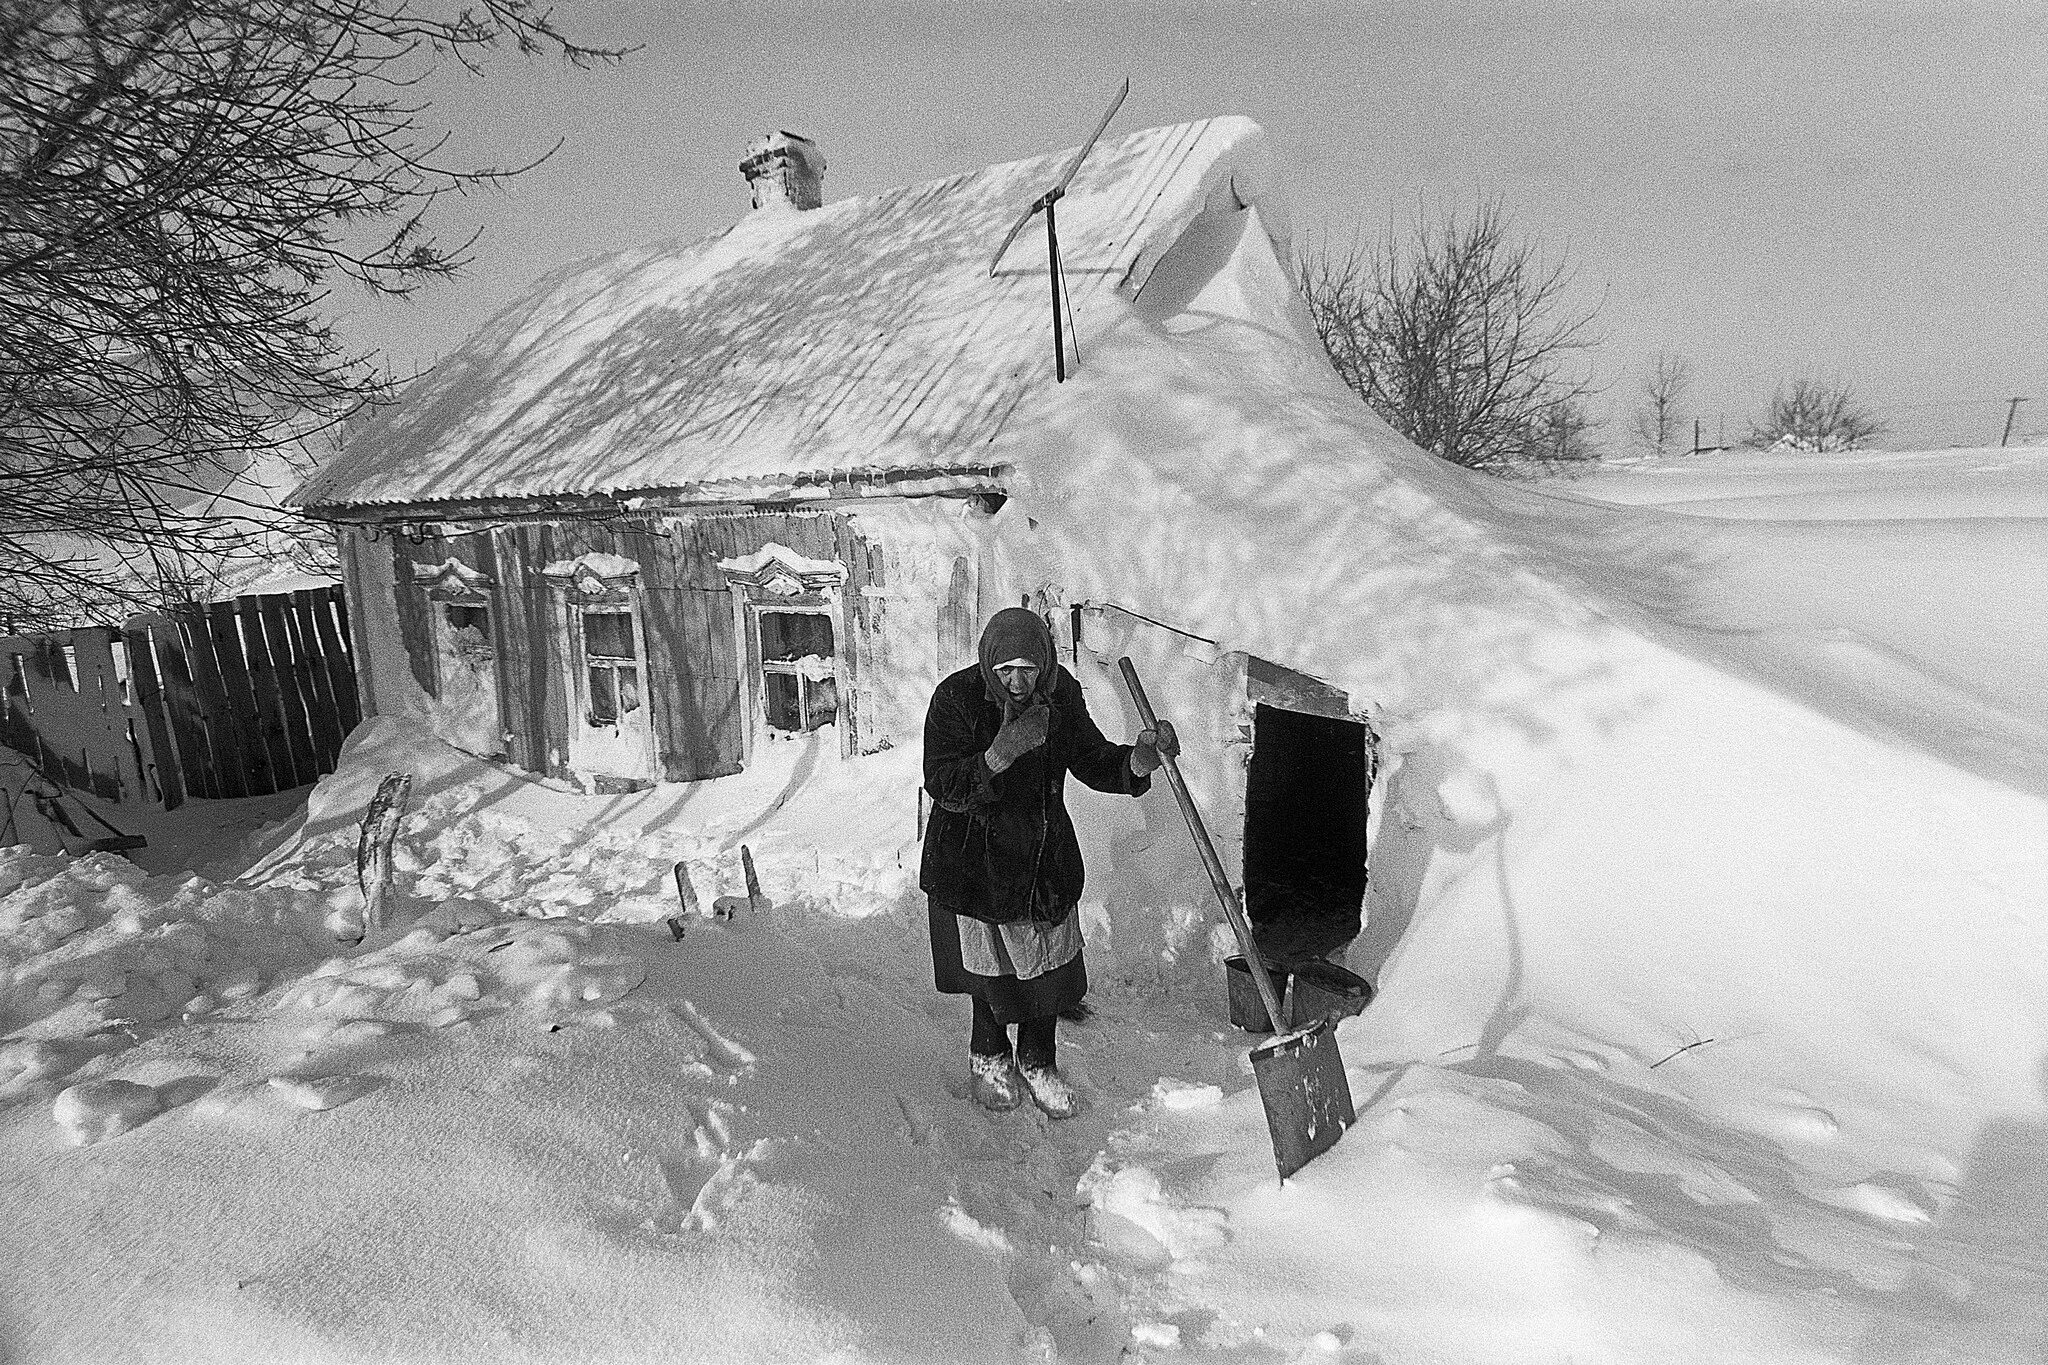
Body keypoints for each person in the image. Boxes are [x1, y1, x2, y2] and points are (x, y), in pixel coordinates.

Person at [920, 607, 1178, 1117]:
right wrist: (999, 754)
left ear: (1045, 662)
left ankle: (1038, 1061)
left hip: (1041, 859)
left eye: (1028, 668)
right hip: (975, 864)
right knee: (989, 974)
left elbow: (1092, 759)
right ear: (988, 665)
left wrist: (1137, 761)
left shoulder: (1062, 694)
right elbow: (943, 784)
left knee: (1047, 976)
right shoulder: (956, 699)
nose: (1017, 682)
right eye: (1005, 670)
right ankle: (989, 1058)